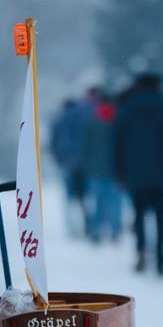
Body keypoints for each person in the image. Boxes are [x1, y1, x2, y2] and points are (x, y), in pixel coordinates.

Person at [114, 73, 163, 276]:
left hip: (135, 173)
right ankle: (161, 257)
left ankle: (141, 251)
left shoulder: (127, 109)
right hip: (162, 173)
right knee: (161, 217)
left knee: (139, 215)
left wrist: (120, 172)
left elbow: (117, 142)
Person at [50, 89, 100, 237]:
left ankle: (72, 230)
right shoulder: (83, 119)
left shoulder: (57, 121)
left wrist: (58, 160)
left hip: (66, 164)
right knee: (85, 196)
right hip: (83, 164)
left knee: (68, 198)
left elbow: (53, 143)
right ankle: (89, 226)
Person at [82, 94, 122, 243]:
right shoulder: (118, 120)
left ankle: (95, 231)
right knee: (115, 202)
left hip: (95, 170)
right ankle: (115, 230)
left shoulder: (92, 122)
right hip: (115, 170)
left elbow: (86, 147)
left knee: (97, 202)